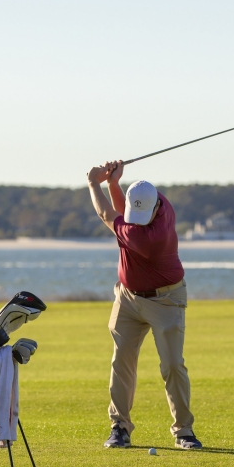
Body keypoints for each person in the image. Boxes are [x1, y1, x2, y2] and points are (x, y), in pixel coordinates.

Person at [86, 160, 202, 450]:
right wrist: (114, 184)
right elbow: (121, 211)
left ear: (155, 210)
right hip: (128, 297)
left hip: (166, 300)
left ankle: (184, 431)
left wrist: (93, 182)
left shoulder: (149, 236)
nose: (134, 219)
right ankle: (119, 427)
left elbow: (105, 213)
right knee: (121, 360)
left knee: (173, 365)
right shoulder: (158, 200)